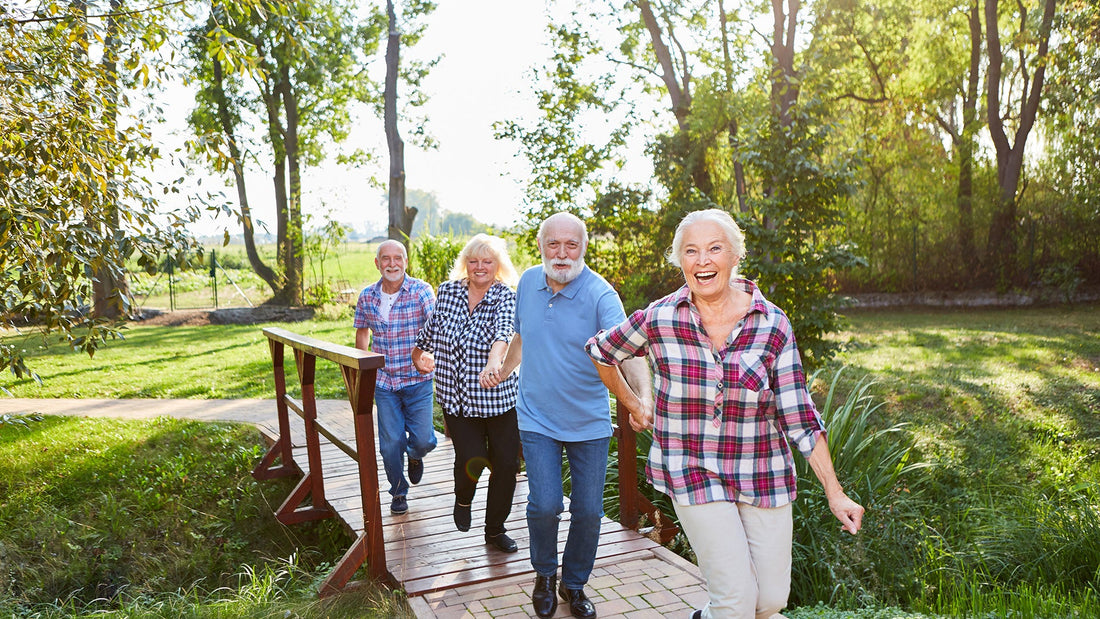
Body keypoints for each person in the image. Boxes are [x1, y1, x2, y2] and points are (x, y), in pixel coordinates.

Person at [585, 209, 865, 619]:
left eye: (714, 248)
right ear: (680, 260)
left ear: (735, 256)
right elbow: (600, 352)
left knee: (769, 601)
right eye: (691, 251)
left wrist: (834, 491)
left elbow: (800, 415)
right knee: (735, 601)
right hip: (692, 468)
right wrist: (634, 402)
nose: (702, 261)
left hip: (762, 471)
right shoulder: (661, 316)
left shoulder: (772, 324)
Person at [486, 212, 650, 619]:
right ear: (541, 246)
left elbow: (627, 352)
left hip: (588, 422)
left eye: (571, 245)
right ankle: (544, 574)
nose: (561, 253)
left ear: (584, 248)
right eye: (553, 244)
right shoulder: (526, 282)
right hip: (536, 416)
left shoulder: (601, 295)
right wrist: (504, 369)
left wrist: (641, 400)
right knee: (544, 504)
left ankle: (573, 584)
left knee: (589, 511)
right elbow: (523, 335)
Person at [411, 234, 523, 554]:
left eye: (487, 261)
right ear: (465, 264)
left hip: (499, 398)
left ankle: (495, 529)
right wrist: (419, 354)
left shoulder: (505, 296)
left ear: (497, 265)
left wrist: (493, 362)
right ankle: (463, 499)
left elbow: (504, 332)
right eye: (473, 261)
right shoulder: (447, 292)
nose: (480, 267)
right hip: (456, 397)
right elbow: (432, 329)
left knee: (505, 464)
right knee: (470, 457)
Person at [353, 239, 438, 516]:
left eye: (398, 258)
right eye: (386, 259)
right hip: (384, 382)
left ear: (406, 261)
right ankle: (398, 491)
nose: (392, 264)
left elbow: (437, 327)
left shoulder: (421, 291)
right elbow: (363, 331)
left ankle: (415, 456)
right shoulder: (367, 295)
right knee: (390, 443)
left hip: (417, 379)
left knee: (424, 440)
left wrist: (430, 357)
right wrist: (360, 367)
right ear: (377, 264)